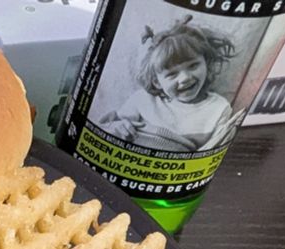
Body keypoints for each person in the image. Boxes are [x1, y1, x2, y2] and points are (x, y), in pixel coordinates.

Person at [98, 15, 242, 151]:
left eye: (193, 66)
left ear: (207, 63)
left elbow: (215, 149)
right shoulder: (143, 100)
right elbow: (109, 128)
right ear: (157, 82)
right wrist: (119, 126)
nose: (185, 78)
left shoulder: (218, 109)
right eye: (172, 74)